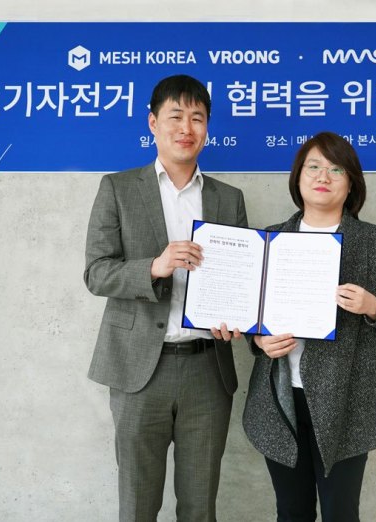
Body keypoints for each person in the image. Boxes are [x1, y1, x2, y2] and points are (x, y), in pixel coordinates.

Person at [84, 74, 246, 522]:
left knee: (200, 507)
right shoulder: (118, 188)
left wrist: (237, 318)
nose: (186, 128)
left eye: (197, 118)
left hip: (207, 370)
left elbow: (240, 279)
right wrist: (154, 267)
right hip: (138, 370)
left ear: (207, 128)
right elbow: (96, 273)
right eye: (176, 116)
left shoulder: (229, 199)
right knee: (138, 505)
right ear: (153, 123)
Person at [240, 132, 376, 522]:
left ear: (351, 183)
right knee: (291, 511)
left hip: (349, 399)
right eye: (314, 167)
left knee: (341, 512)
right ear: (298, 177)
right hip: (281, 397)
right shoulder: (270, 239)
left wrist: (372, 306)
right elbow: (250, 317)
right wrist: (259, 340)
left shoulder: (373, 241)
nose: (323, 176)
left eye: (336, 170)